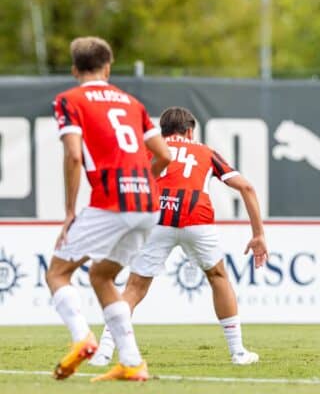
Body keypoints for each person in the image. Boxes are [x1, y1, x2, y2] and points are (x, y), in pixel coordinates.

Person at [88, 106, 268, 367]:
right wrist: (258, 234)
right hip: (198, 218)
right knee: (218, 277)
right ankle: (238, 353)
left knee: (134, 288)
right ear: (190, 130)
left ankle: (104, 350)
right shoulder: (205, 151)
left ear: (162, 131)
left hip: (158, 217)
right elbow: (247, 187)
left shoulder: (150, 147)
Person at [46, 36, 171, 382]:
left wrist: (70, 212)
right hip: (147, 202)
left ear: (74, 70)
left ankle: (81, 338)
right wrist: (143, 180)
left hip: (111, 201)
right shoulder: (132, 103)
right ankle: (131, 362)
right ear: (108, 66)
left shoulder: (68, 100)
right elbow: (165, 155)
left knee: (57, 273)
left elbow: (73, 155)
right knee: (101, 276)